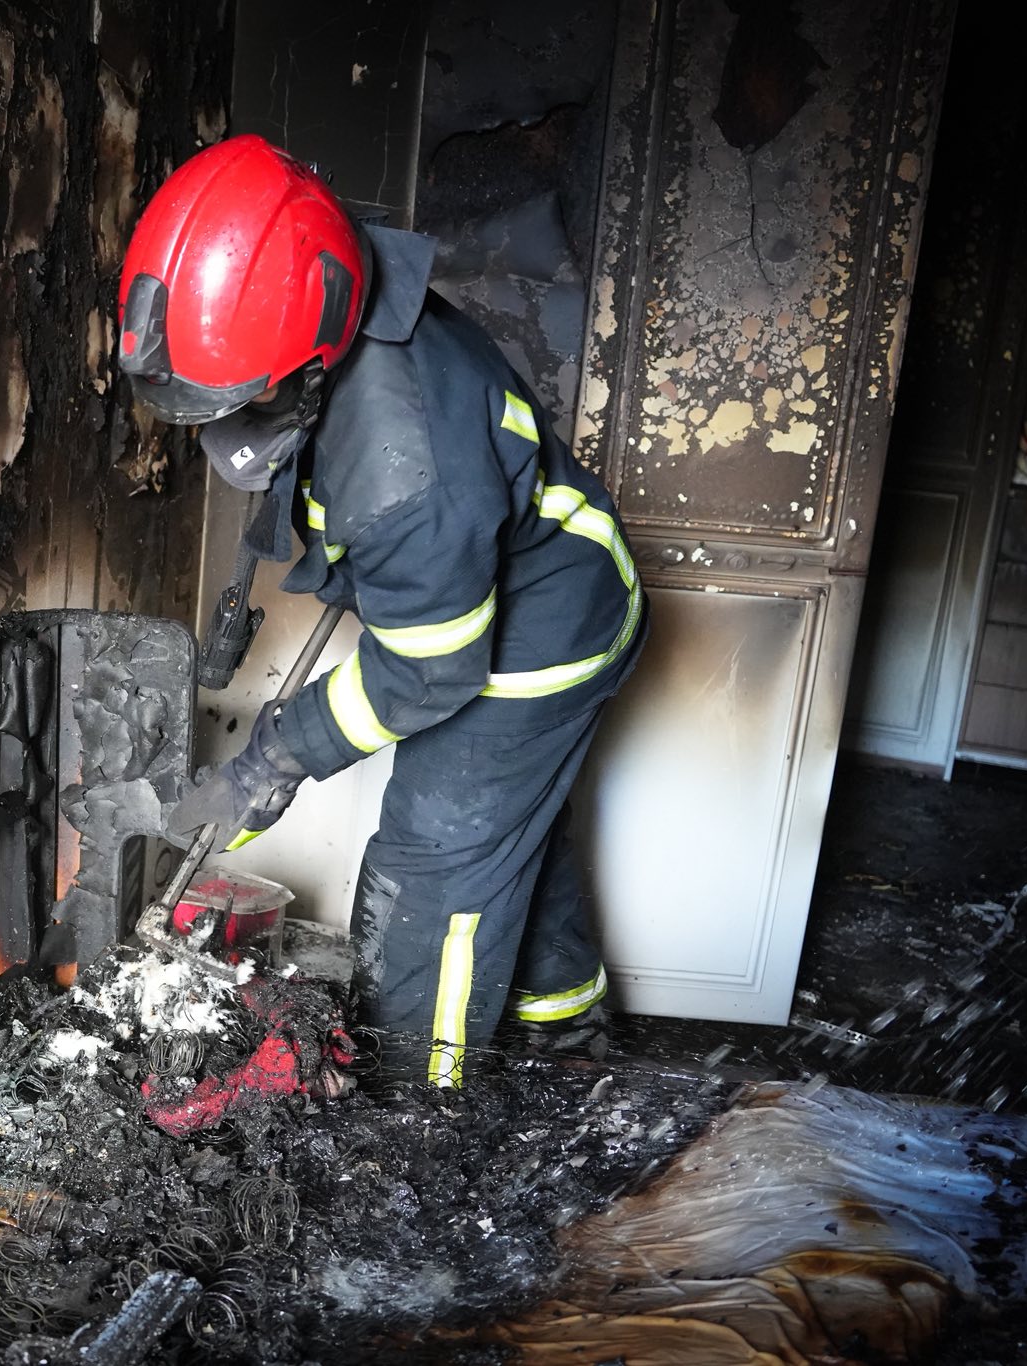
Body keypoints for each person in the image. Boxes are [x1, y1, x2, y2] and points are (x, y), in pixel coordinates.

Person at [118, 134, 646, 1086]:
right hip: (521, 579)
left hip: (543, 625)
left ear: (314, 358)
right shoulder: (334, 312)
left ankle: (416, 1110)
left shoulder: (405, 468)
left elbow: (426, 671)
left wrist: (273, 759)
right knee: (504, 826)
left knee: (431, 874)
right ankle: (565, 1038)